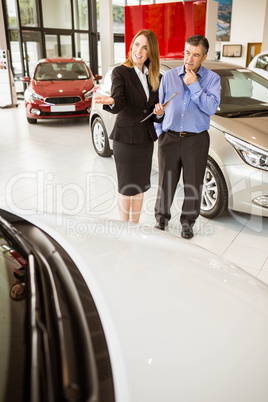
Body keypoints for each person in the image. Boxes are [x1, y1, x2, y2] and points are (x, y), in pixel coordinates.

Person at [94, 29, 167, 223]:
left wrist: (159, 113)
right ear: (131, 46)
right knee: (127, 188)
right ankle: (123, 228)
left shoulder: (155, 77)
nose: (139, 50)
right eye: (136, 44)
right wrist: (110, 101)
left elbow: (153, 111)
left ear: (151, 52)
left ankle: (133, 227)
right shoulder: (121, 72)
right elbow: (119, 101)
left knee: (140, 187)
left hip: (144, 140)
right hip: (125, 140)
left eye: (145, 47)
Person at [154, 35, 221, 239]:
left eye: (195, 55)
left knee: (193, 183)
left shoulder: (212, 79)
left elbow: (211, 107)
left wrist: (194, 85)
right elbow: (161, 107)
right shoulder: (169, 76)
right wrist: (160, 130)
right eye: (187, 53)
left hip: (195, 140)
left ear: (204, 56)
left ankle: (187, 223)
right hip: (170, 138)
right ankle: (161, 219)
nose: (189, 59)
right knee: (166, 181)